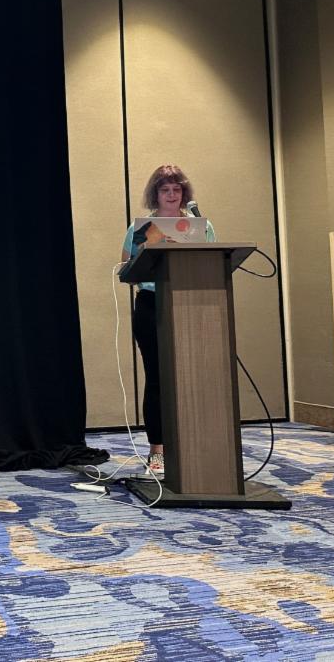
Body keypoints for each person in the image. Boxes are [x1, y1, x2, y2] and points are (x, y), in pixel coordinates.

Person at [120, 164, 215, 477]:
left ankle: (194, 445)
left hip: (190, 304)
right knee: (158, 378)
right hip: (151, 305)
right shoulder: (142, 229)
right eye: (165, 190)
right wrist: (147, 252)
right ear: (156, 194)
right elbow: (126, 268)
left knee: (192, 377)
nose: (172, 195)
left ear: (184, 193)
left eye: (176, 189)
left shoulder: (201, 226)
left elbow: (214, 260)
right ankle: (157, 451)